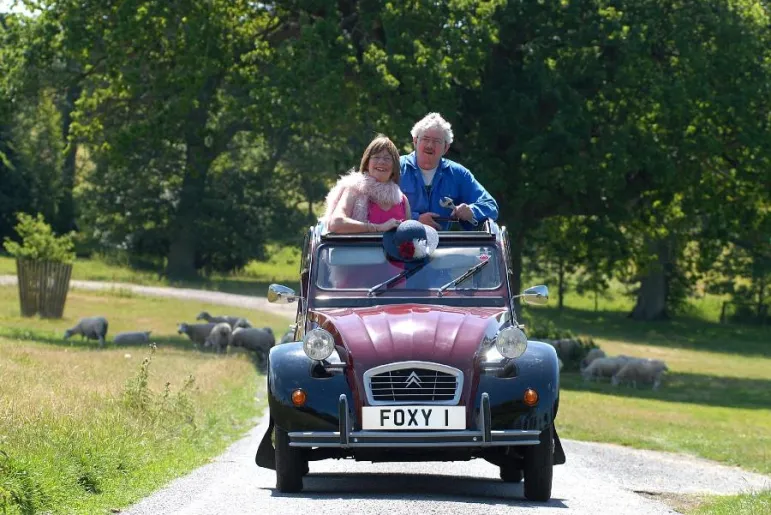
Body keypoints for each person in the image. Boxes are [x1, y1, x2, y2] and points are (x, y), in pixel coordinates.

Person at [400, 112, 498, 230]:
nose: (430, 145)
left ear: (446, 148)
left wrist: (472, 211)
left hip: (443, 246)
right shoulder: (396, 167)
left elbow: (491, 206)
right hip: (399, 245)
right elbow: (375, 209)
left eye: (437, 141)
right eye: (425, 139)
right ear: (415, 141)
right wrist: (415, 220)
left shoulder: (458, 174)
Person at [323, 135, 411, 234]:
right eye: (376, 157)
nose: (381, 162)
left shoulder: (402, 200)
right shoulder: (354, 189)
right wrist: (378, 227)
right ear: (367, 163)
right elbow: (336, 224)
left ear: (394, 167)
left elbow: (408, 238)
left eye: (387, 158)